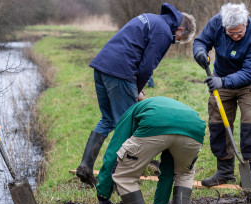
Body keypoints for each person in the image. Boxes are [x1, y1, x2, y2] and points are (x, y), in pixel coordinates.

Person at [76, 3, 196, 187]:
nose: (176, 41)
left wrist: (135, 88)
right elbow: (148, 65)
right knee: (127, 125)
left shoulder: (151, 18)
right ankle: (115, 177)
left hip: (102, 67)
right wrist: (137, 90)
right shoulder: (164, 31)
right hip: (120, 72)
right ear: (179, 29)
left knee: (108, 119)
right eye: (179, 39)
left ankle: (86, 165)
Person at [96, 96, 205, 204]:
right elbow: (168, 171)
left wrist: (103, 195)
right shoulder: (163, 105)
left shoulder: (131, 112)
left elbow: (113, 152)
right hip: (194, 127)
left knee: (125, 176)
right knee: (184, 174)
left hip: (155, 123)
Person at [193, 3, 251, 187]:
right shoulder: (216, 22)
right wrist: (200, 52)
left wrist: (223, 82)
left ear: (246, 23)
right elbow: (200, 41)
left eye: (238, 33)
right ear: (224, 26)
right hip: (222, 77)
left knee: (250, 123)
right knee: (218, 123)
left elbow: (250, 71)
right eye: (230, 33)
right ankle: (225, 171)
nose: (235, 36)